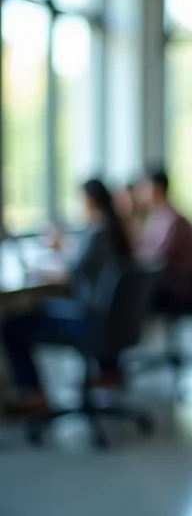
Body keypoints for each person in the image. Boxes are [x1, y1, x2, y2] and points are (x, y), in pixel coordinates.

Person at [1, 179, 136, 417]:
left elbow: (72, 273)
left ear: (89, 201)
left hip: (93, 320)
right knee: (38, 308)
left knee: (14, 325)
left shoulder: (98, 232)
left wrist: (43, 265)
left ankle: (34, 395)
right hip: (109, 318)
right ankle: (106, 370)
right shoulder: (111, 229)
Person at [135, 168, 192, 302]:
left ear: (156, 189)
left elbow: (159, 256)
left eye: (144, 188)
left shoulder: (172, 220)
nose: (140, 193)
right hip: (168, 278)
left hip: (175, 284)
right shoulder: (159, 216)